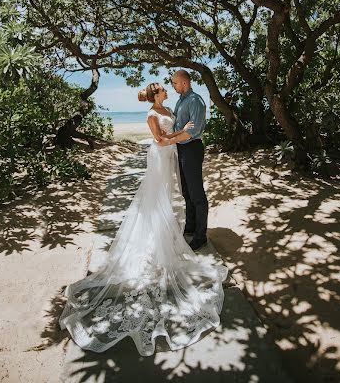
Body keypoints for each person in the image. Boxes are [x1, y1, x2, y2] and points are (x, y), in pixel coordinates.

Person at [58, 81, 228, 357]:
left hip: (171, 156)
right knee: (156, 198)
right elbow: (159, 140)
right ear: (155, 95)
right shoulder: (151, 114)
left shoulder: (169, 108)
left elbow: (172, 131)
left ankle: (164, 235)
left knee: (167, 198)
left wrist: (182, 134)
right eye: (163, 89)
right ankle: (155, 241)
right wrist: (181, 134)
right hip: (160, 156)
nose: (167, 91)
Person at [171, 70, 208, 251]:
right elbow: (179, 126)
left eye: (175, 83)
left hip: (192, 148)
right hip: (181, 148)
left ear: (184, 82)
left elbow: (193, 130)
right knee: (186, 191)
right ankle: (191, 226)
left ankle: (201, 236)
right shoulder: (181, 100)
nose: (173, 86)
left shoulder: (195, 100)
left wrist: (169, 140)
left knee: (196, 194)